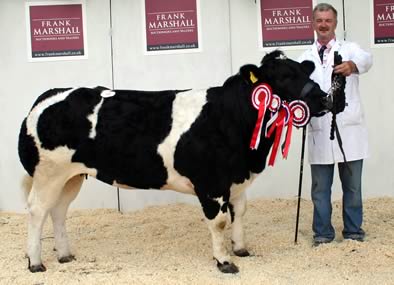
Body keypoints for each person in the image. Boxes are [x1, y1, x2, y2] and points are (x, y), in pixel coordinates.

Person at [298, 3, 373, 246]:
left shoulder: (349, 49)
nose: (323, 24)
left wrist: (352, 66)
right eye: (319, 20)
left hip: (349, 130)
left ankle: (353, 232)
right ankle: (323, 235)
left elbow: (367, 59)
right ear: (313, 23)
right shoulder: (304, 58)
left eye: (327, 20)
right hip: (320, 131)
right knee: (320, 191)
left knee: (352, 188)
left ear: (335, 24)